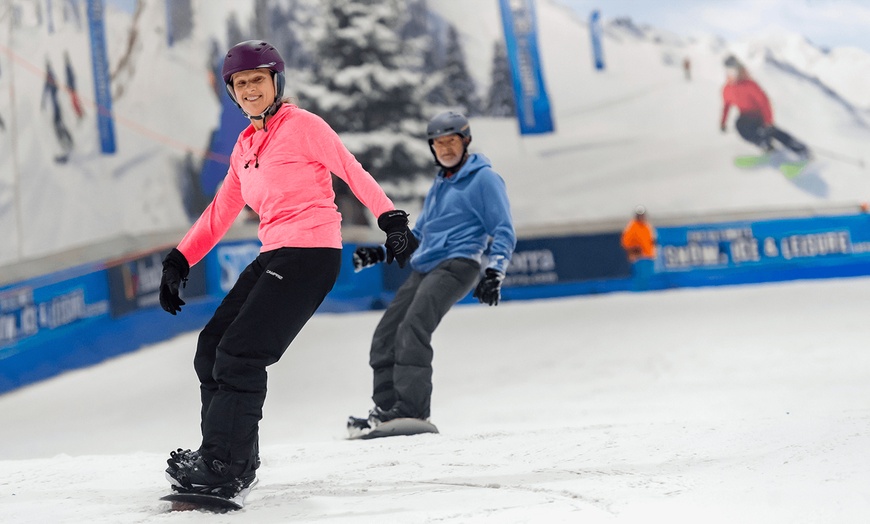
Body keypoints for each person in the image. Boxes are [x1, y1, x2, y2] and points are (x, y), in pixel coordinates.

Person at [158, 40, 417, 499]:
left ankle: (225, 463)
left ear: (276, 82)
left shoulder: (303, 126)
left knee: (240, 353)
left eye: (258, 79)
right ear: (233, 93)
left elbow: (351, 170)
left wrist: (391, 219)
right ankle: (229, 455)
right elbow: (220, 211)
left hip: (310, 252)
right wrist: (180, 260)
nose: (250, 89)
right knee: (212, 346)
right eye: (241, 83)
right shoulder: (245, 147)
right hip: (275, 253)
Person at [347, 111, 516, 435]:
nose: (445, 149)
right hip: (426, 266)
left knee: (413, 326)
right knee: (386, 333)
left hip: (458, 263)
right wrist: (381, 252)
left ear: (465, 142)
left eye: (451, 141)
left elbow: (504, 230)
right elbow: (419, 235)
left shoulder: (485, 179)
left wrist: (495, 272)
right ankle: (387, 409)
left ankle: (412, 409)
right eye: (439, 143)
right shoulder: (441, 182)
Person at [720, 55, 810, 158]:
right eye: (729, 72)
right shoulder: (727, 89)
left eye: (734, 71)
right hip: (745, 118)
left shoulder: (750, 85)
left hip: (759, 116)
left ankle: (801, 149)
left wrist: (768, 121)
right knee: (741, 126)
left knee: (770, 131)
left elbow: (764, 102)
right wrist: (723, 122)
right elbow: (726, 105)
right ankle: (767, 146)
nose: (732, 75)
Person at [621, 205, 656, 290]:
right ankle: (638, 294)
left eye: (643, 215)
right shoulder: (632, 227)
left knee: (647, 277)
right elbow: (625, 241)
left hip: (648, 256)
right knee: (640, 277)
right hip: (639, 257)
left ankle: (644, 293)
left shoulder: (647, 226)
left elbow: (650, 240)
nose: (642, 217)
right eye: (640, 215)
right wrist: (634, 249)